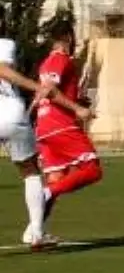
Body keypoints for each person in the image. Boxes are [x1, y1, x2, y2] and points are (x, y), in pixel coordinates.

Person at [0, 7, 90, 250]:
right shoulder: (4, 43)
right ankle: (37, 231)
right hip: (9, 113)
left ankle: (37, 231)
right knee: (30, 173)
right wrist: (34, 86)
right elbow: (3, 70)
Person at [33, 17, 102, 237]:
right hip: (59, 125)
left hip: (44, 126)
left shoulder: (45, 62)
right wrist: (78, 109)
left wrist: (76, 103)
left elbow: (49, 91)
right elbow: (51, 91)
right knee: (92, 170)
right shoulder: (60, 59)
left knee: (57, 178)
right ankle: (45, 193)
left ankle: (36, 232)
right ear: (68, 37)